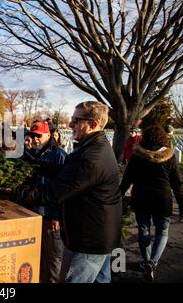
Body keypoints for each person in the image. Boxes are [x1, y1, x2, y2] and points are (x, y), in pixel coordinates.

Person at [40, 101, 122, 283]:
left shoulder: (91, 157)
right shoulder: (92, 147)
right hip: (101, 234)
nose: (70, 125)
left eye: (76, 120)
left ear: (92, 124)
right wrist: (37, 167)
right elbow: (68, 171)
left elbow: (54, 193)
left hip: (88, 241)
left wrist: (17, 191)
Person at [120, 125, 183, 282]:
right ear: (163, 137)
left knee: (143, 230)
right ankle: (153, 262)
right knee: (162, 232)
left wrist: (119, 195)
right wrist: (182, 205)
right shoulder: (169, 156)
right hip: (162, 200)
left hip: (141, 198)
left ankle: (146, 261)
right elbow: (177, 183)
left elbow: (127, 179)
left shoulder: (137, 156)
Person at [17, 120, 67, 283]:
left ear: (48, 135)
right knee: (38, 255)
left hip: (50, 216)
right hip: (35, 212)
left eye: (39, 135)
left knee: (53, 257)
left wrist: (57, 216)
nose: (35, 139)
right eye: (33, 135)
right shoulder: (35, 153)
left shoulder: (59, 155)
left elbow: (64, 190)